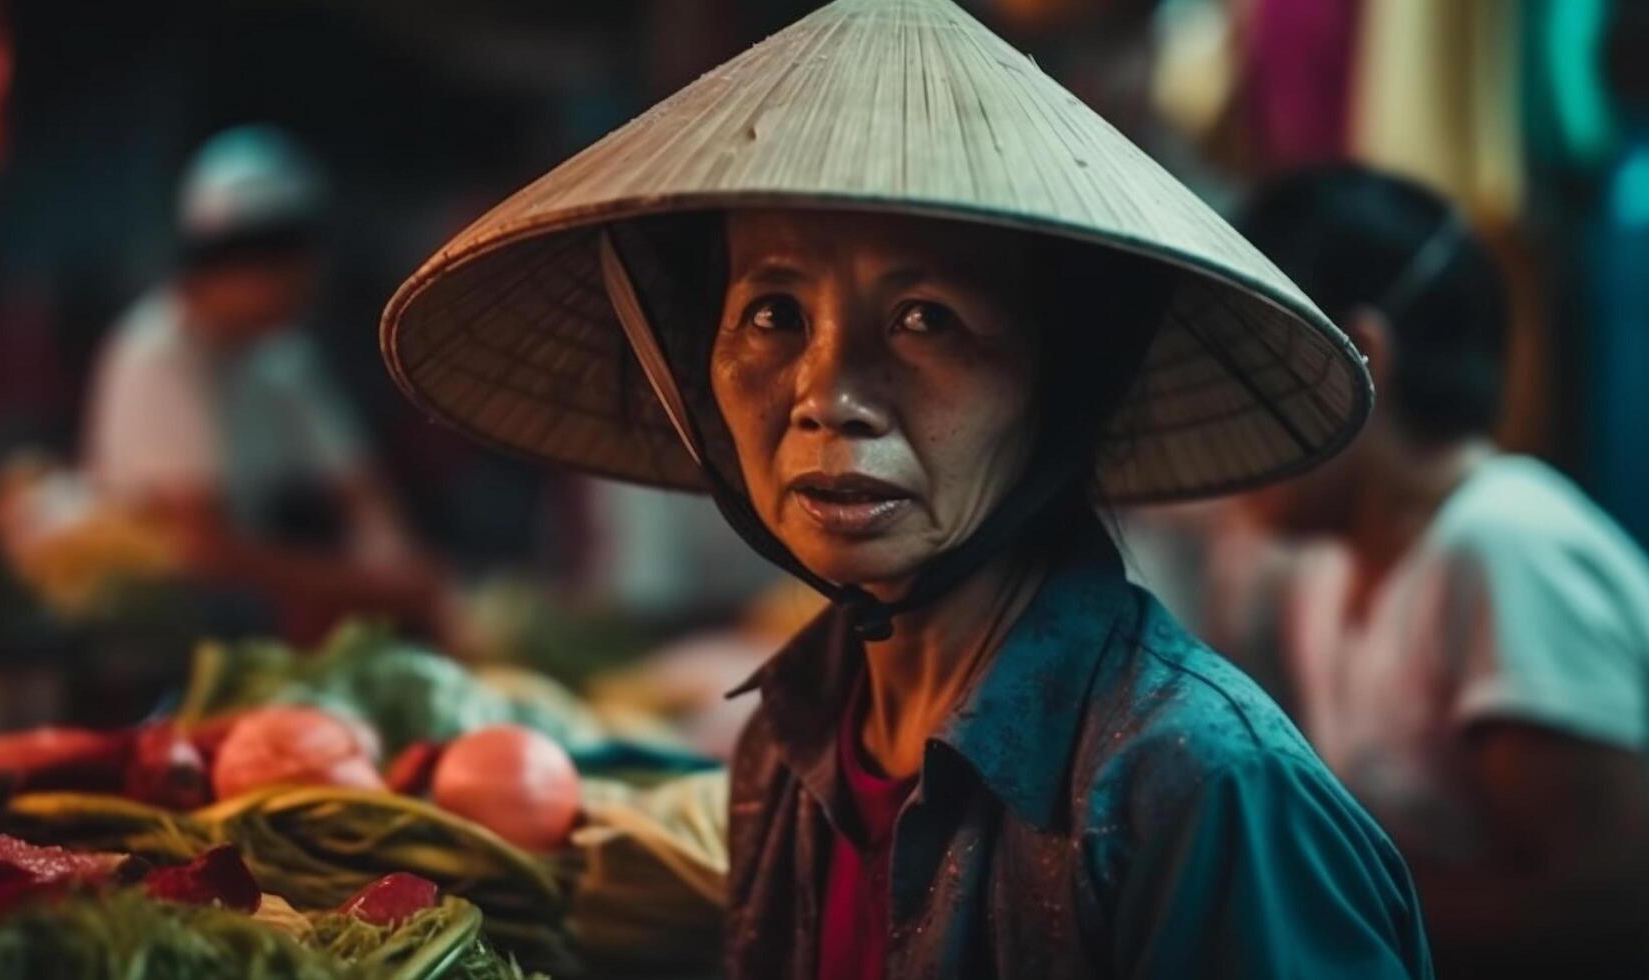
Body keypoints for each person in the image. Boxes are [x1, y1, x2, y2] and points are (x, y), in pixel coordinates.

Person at [380, 0, 1431, 976]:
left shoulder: (1199, 794)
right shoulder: (784, 747)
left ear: (1064, 374)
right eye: (771, 315)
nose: (828, 396)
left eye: (924, 317)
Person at [1237, 163, 1649, 979]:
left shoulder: (1504, 547)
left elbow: (1610, 907)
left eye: (1250, 368)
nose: (1225, 416)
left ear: (1359, 353)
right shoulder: (1320, 579)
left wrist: (1309, 890)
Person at [84, 125, 438, 641]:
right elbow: (205, 549)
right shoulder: (155, 353)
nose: (310, 284)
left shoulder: (281, 357)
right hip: (152, 635)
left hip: (246, 620)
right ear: (241, 266)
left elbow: (361, 490)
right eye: (296, 267)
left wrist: (398, 562)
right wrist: (374, 586)